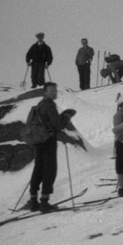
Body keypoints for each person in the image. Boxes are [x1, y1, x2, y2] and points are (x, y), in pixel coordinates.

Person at [26, 83, 76, 211]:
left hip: (38, 140)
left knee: (39, 168)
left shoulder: (39, 105)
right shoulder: (49, 105)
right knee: (50, 168)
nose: (55, 93)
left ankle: (33, 201)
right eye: (52, 91)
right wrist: (66, 117)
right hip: (48, 140)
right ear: (45, 92)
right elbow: (58, 125)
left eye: (55, 91)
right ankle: (44, 201)